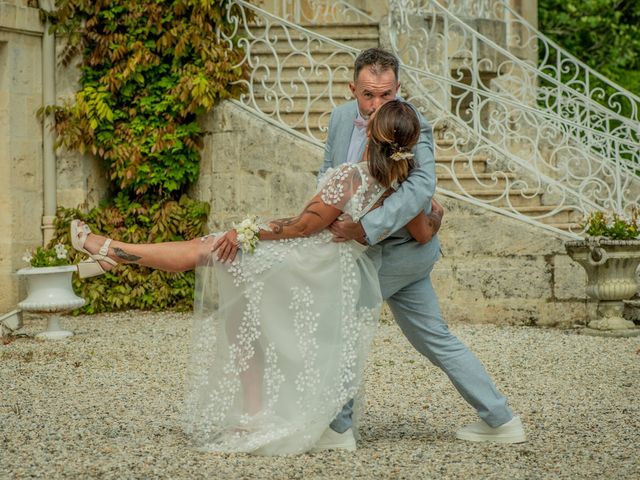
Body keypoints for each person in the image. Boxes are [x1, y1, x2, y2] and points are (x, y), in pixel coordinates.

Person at [70, 100, 438, 455]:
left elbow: (300, 227)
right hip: (335, 268)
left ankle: (109, 250)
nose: (368, 114)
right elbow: (424, 230)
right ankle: (111, 254)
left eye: (373, 116)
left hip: (308, 261)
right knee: (239, 310)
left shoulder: (351, 176)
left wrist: (247, 231)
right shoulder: (400, 185)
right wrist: (438, 214)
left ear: (372, 133)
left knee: (211, 252)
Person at [316, 47, 527, 447]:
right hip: (375, 251)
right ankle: (501, 420)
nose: (377, 105)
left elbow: (419, 190)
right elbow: (328, 171)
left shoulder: (415, 125)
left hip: (396, 251)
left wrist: (365, 228)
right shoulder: (341, 118)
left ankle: (338, 430)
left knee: (341, 326)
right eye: (367, 95)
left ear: (400, 88)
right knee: (435, 337)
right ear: (352, 89)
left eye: (386, 94)